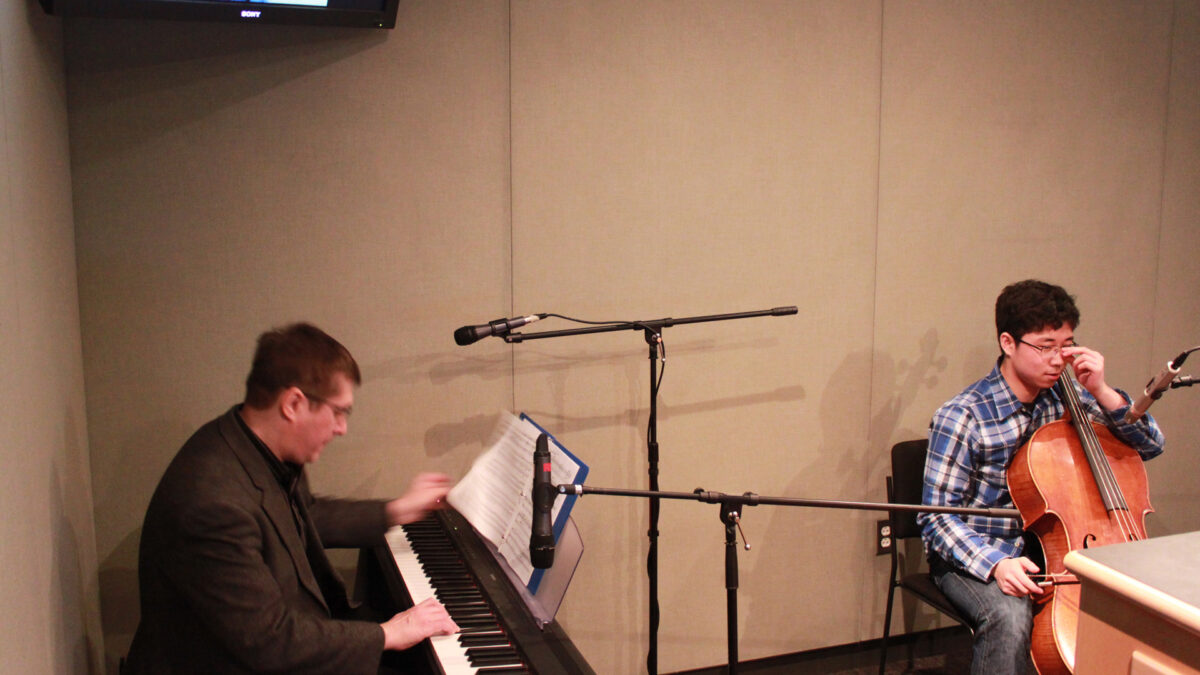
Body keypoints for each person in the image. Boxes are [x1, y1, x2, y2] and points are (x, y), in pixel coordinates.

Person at [125, 323, 459, 674]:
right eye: (339, 411)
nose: (342, 428)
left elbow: (303, 515)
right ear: (294, 403)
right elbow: (268, 642)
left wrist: (396, 510)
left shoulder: (252, 446)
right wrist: (387, 634)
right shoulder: (212, 505)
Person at [918, 280, 1165, 674]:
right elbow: (935, 519)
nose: (1058, 360)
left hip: (1054, 549)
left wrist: (1101, 389)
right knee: (1009, 617)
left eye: (1066, 345)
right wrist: (997, 564)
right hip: (976, 554)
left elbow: (1151, 444)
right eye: (1045, 346)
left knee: (1143, 600)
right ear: (1008, 343)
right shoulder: (962, 416)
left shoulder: (1070, 399)